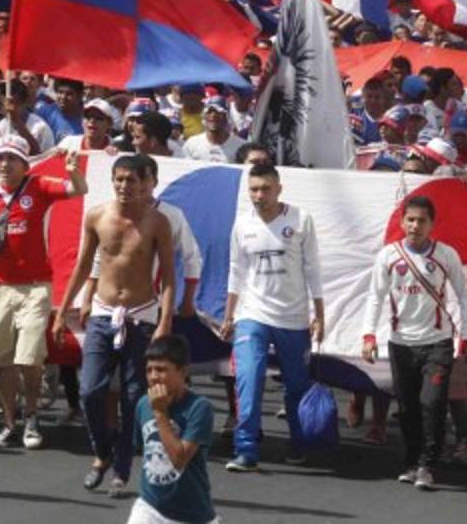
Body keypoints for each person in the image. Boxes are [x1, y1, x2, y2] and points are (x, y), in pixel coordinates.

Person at [53, 154, 174, 496]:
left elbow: (168, 278)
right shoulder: (97, 216)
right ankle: (102, 451)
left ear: (145, 184)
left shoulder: (157, 222)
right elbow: (81, 266)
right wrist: (64, 310)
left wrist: (165, 321)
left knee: (135, 396)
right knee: (91, 389)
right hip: (103, 314)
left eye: (131, 181)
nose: (124, 187)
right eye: (119, 180)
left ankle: (122, 468)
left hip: (141, 316)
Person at [0, 136, 86, 450]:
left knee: (30, 358)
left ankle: (31, 418)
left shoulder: (40, 185)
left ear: (24, 164)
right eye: (0, 158)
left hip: (35, 286)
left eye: (12, 159)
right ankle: (9, 424)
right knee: (2, 360)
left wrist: (72, 170)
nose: (4, 164)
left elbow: (78, 190)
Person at [362, 195, 467, 490]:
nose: (415, 225)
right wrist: (368, 335)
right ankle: (411, 461)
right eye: (410, 220)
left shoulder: (446, 255)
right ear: (402, 222)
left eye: (422, 220)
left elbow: (463, 295)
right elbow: (374, 297)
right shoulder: (389, 256)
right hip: (400, 343)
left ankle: (428, 464)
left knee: (432, 402)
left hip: (437, 343)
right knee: (408, 406)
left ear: (432, 224)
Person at [220, 161, 324, 471]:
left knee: (295, 386)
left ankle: (297, 442)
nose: (259, 195)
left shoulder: (301, 220)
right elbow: (236, 273)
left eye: (266, 188)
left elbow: (313, 270)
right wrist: (229, 316)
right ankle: (246, 450)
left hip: (292, 318)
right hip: (253, 315)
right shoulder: (242, 225)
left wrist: (318, 314)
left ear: (279, 189)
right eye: (254, 189)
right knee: (248, 379)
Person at [128, 334, 217, 524]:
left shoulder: (199, 408)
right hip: (150, 507)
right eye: (149, 370)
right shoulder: (144, 404)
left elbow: (179, 459)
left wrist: (160, 413)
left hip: (193, 516)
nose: (153, 377)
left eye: (161, 370)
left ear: (183, 371)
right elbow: (143, 449)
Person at [182, 95, 244, 163]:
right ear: (204, 116)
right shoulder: (192, 144)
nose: (213, 115)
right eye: (209, 112)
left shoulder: (240, 147)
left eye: (218, 112)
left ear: (227, 117)